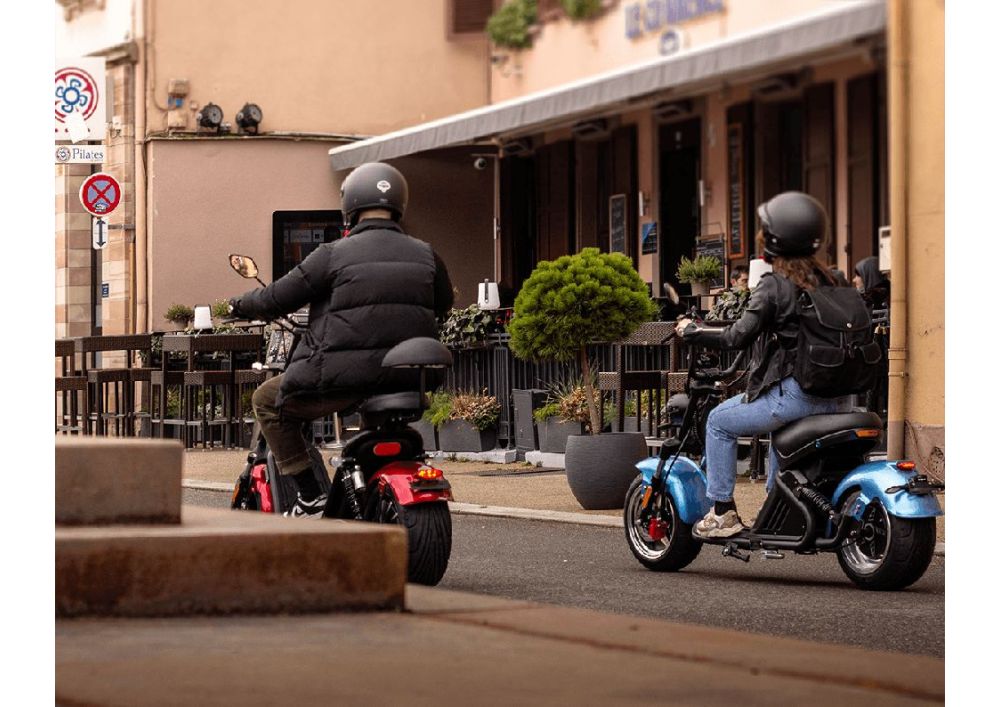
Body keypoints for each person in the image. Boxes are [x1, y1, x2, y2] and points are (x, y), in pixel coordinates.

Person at [230, 162, 454, 518]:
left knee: (268, 400)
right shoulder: (427, 254)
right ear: (400, 203)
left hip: (343, 377)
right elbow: (444, 304)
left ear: (350, 206)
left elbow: (276, 298)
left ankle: (308, 496)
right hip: (408, 377)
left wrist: (238, 304)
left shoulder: (332, 254)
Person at [675, 192, 853, 538]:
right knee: (777, 431)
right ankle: (777, 506)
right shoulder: (836, 282)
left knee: (718, 422)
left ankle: (722, 512)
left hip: (798, 395)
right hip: (841, 397)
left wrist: (693, 331)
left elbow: (735, 337)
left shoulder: (774, 286)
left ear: (772, 242)